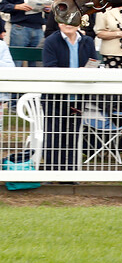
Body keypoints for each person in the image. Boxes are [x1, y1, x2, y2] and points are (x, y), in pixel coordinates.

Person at [41, 22, 97, 170]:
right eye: (64, 20)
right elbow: (50, 68)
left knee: (73, 137)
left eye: (72, 21)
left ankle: (70, 174)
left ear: (79, 23)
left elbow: (94, 63)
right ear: (58, 23)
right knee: (53, 137)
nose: (68, 24)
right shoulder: (51, 41)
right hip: (55, 98)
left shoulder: (88, 41)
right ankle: (51, 172)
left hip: (78, 98)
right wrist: (76, 73)